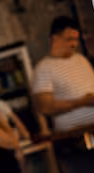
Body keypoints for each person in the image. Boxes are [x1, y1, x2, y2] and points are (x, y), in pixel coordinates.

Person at [32, 16, 94, 153]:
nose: (74, 44)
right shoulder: (44, 68)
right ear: (55, 39)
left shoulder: (81, 60)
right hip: (74, 139)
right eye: (69, 39)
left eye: (76, 40)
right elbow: (45, 106)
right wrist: (82, 102)